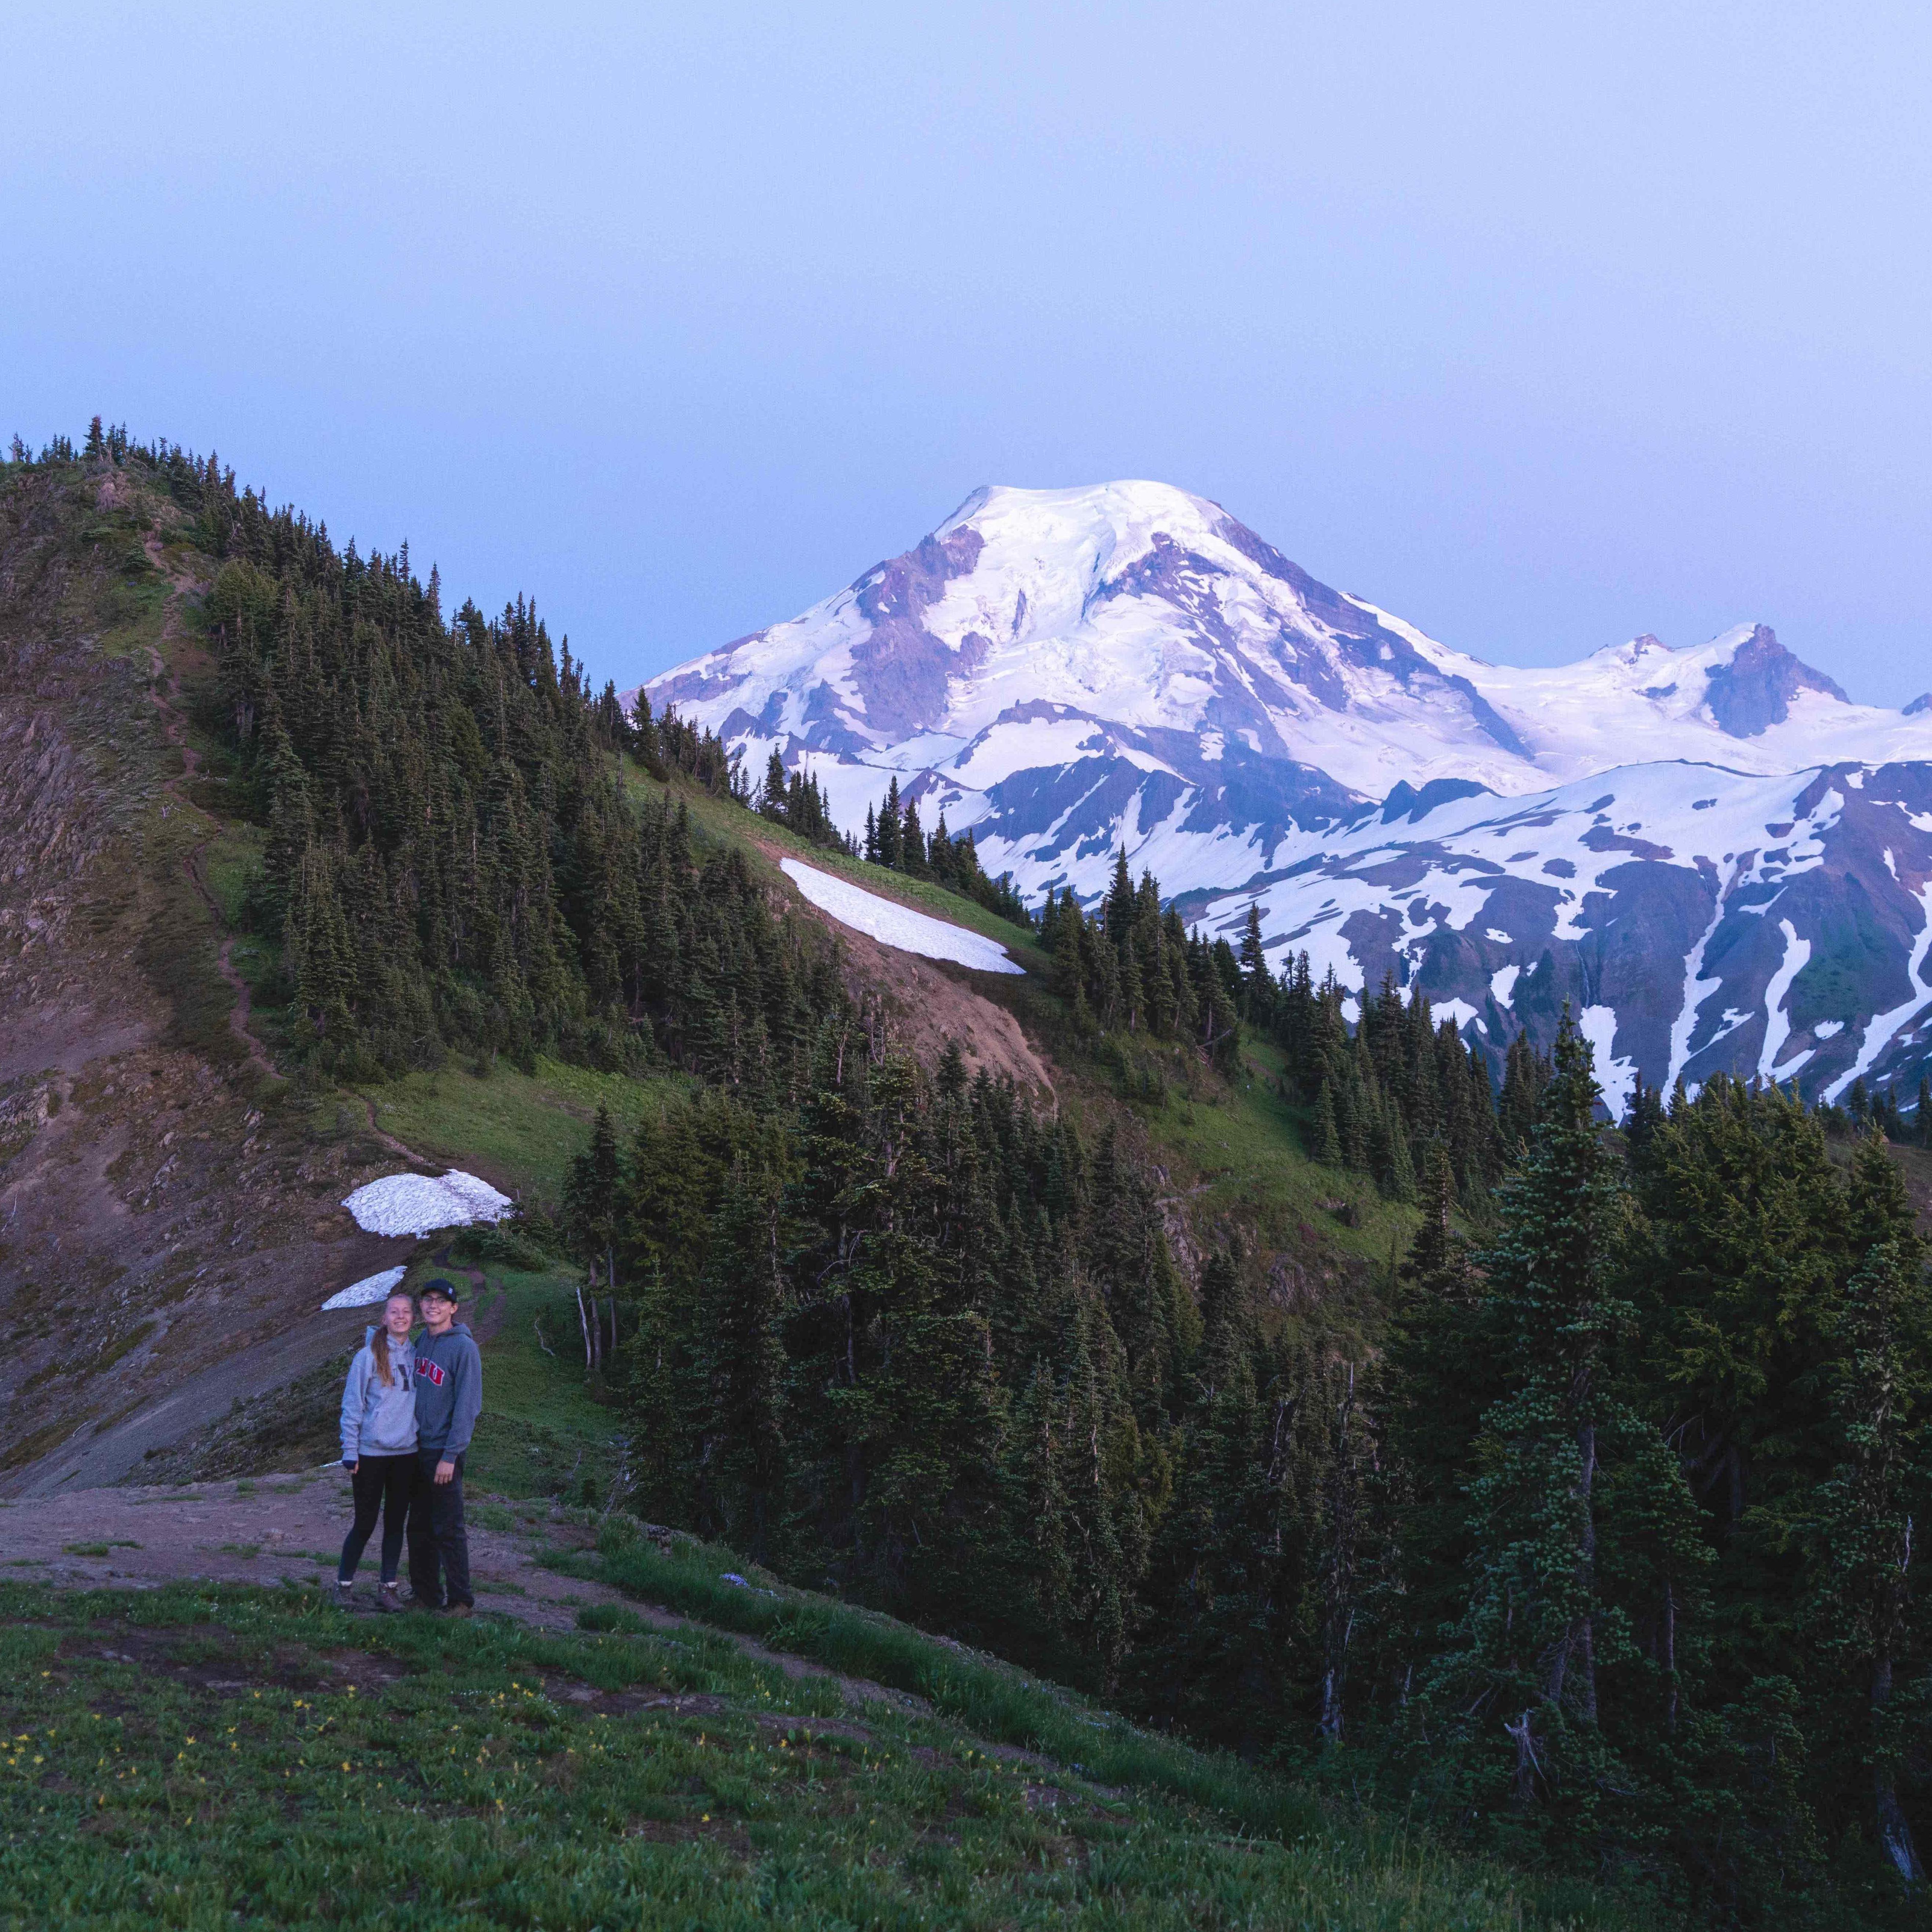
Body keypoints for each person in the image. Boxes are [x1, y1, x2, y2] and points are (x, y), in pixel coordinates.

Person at [336, 1289, 419, 1612]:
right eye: (394, 1311)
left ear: (413, 1318)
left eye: (406, 1311)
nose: (400, 1316)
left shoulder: (418, 1355)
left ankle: (388, 1588)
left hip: (406, 1454)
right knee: (365, 1522)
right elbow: (352, 1405)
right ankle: (343, 1585)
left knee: (396, 1523)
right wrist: (350, 1449)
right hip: (371, 1454)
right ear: (384, 1318)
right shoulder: (367, 1357)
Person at [405, 1277, 482, 1616]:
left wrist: (450, 1456)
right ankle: (426, 1594)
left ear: (454, 1308)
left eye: (441, 1300)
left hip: (443, 1453)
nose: (432, 1305)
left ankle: (461, 1600)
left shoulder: (464, 1348)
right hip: (416, 1449)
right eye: (428, 1299)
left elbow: (468, 1406)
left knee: (448, 1528)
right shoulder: (422, 1339)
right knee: (419, 1526)